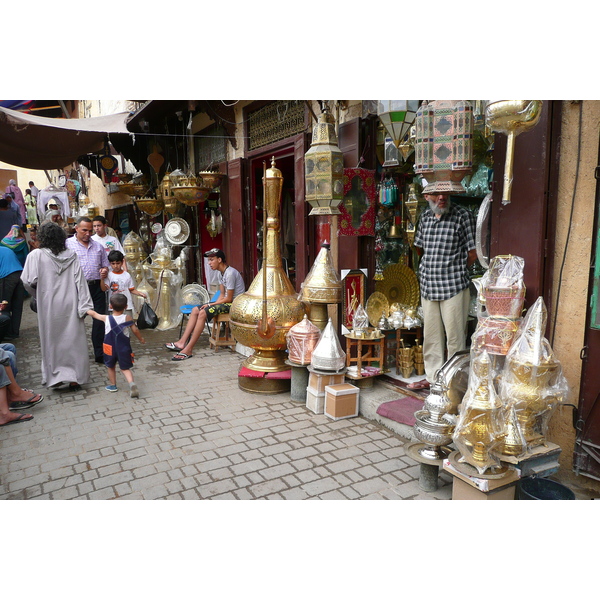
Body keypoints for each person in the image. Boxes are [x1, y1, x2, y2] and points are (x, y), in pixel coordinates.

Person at [408, 190, 477, 391]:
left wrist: (455, 269)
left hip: (453, 286)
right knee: (431, 337)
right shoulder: (425, 217)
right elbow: (420, 249)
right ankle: (433, 380)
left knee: (455, 338)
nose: (441, 198)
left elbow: (472, 253)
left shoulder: (462, 215)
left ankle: (454, 384)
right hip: (429, 286)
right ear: (427, 196)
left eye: (445, 193)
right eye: (436, 194)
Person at [21, 222, 94, 391]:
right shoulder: (72, 254)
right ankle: (76, 377)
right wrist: (84, 305)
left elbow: (26, 281)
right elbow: (80, 282)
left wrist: (37, 294)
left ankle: (56, 378)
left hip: (48, 304)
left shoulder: (36, 255)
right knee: (74, 339)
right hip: (71, 302)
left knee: (52, 340)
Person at [165, 248, 245, 361]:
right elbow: (222, 295)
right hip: (226, 302)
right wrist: (210, 303)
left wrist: (210, 305)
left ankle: (189, 349)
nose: (209, 263)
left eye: (212, 260)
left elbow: (229, 298)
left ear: (220, 259)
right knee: (195, 310)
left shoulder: (230, 273)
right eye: (209, 260)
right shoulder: (220, 274)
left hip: (235, 304)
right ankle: (182, 343)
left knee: (202, 312)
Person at [65, 216, 110, 363]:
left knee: (99, 322)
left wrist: (104, 271)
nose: (88, 234)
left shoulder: (98, 246)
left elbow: (105, 265)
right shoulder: (67, 245)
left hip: (96, 287)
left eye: (90, 231)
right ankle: (75, 356)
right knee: (75, 321)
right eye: (84, 230)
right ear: (76, 228)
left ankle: (100, 354)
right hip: (76, 288)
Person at [87, 293, 145, 398]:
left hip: (109, 348)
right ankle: (131, 383)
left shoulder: (106, 318)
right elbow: (135, 330)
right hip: (124, 348)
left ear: (110, 306)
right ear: (126, 307)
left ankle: (113, 386)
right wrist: (141, 339)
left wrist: (87, 310)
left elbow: (95, 315)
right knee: (125, 368)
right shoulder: (127, 318)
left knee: (110, 366)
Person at [101, 250, 147, 318]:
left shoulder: (127, 275)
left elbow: (131, 289)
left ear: (122, 262)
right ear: (110, 263)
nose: (115, 266)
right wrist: (101, 279)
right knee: (115, 326)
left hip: (127, 306)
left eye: (118, 263)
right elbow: (103, 289)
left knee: (127, 325)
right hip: (114, 306)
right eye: (113, 264)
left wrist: (140, 293)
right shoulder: (109, 275)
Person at [0, 245, 26, 340]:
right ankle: (14, 332)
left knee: (4, 306)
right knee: (17, 306)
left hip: (6, 276)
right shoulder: (6, 249)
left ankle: (5, 332)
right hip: (20, 275)